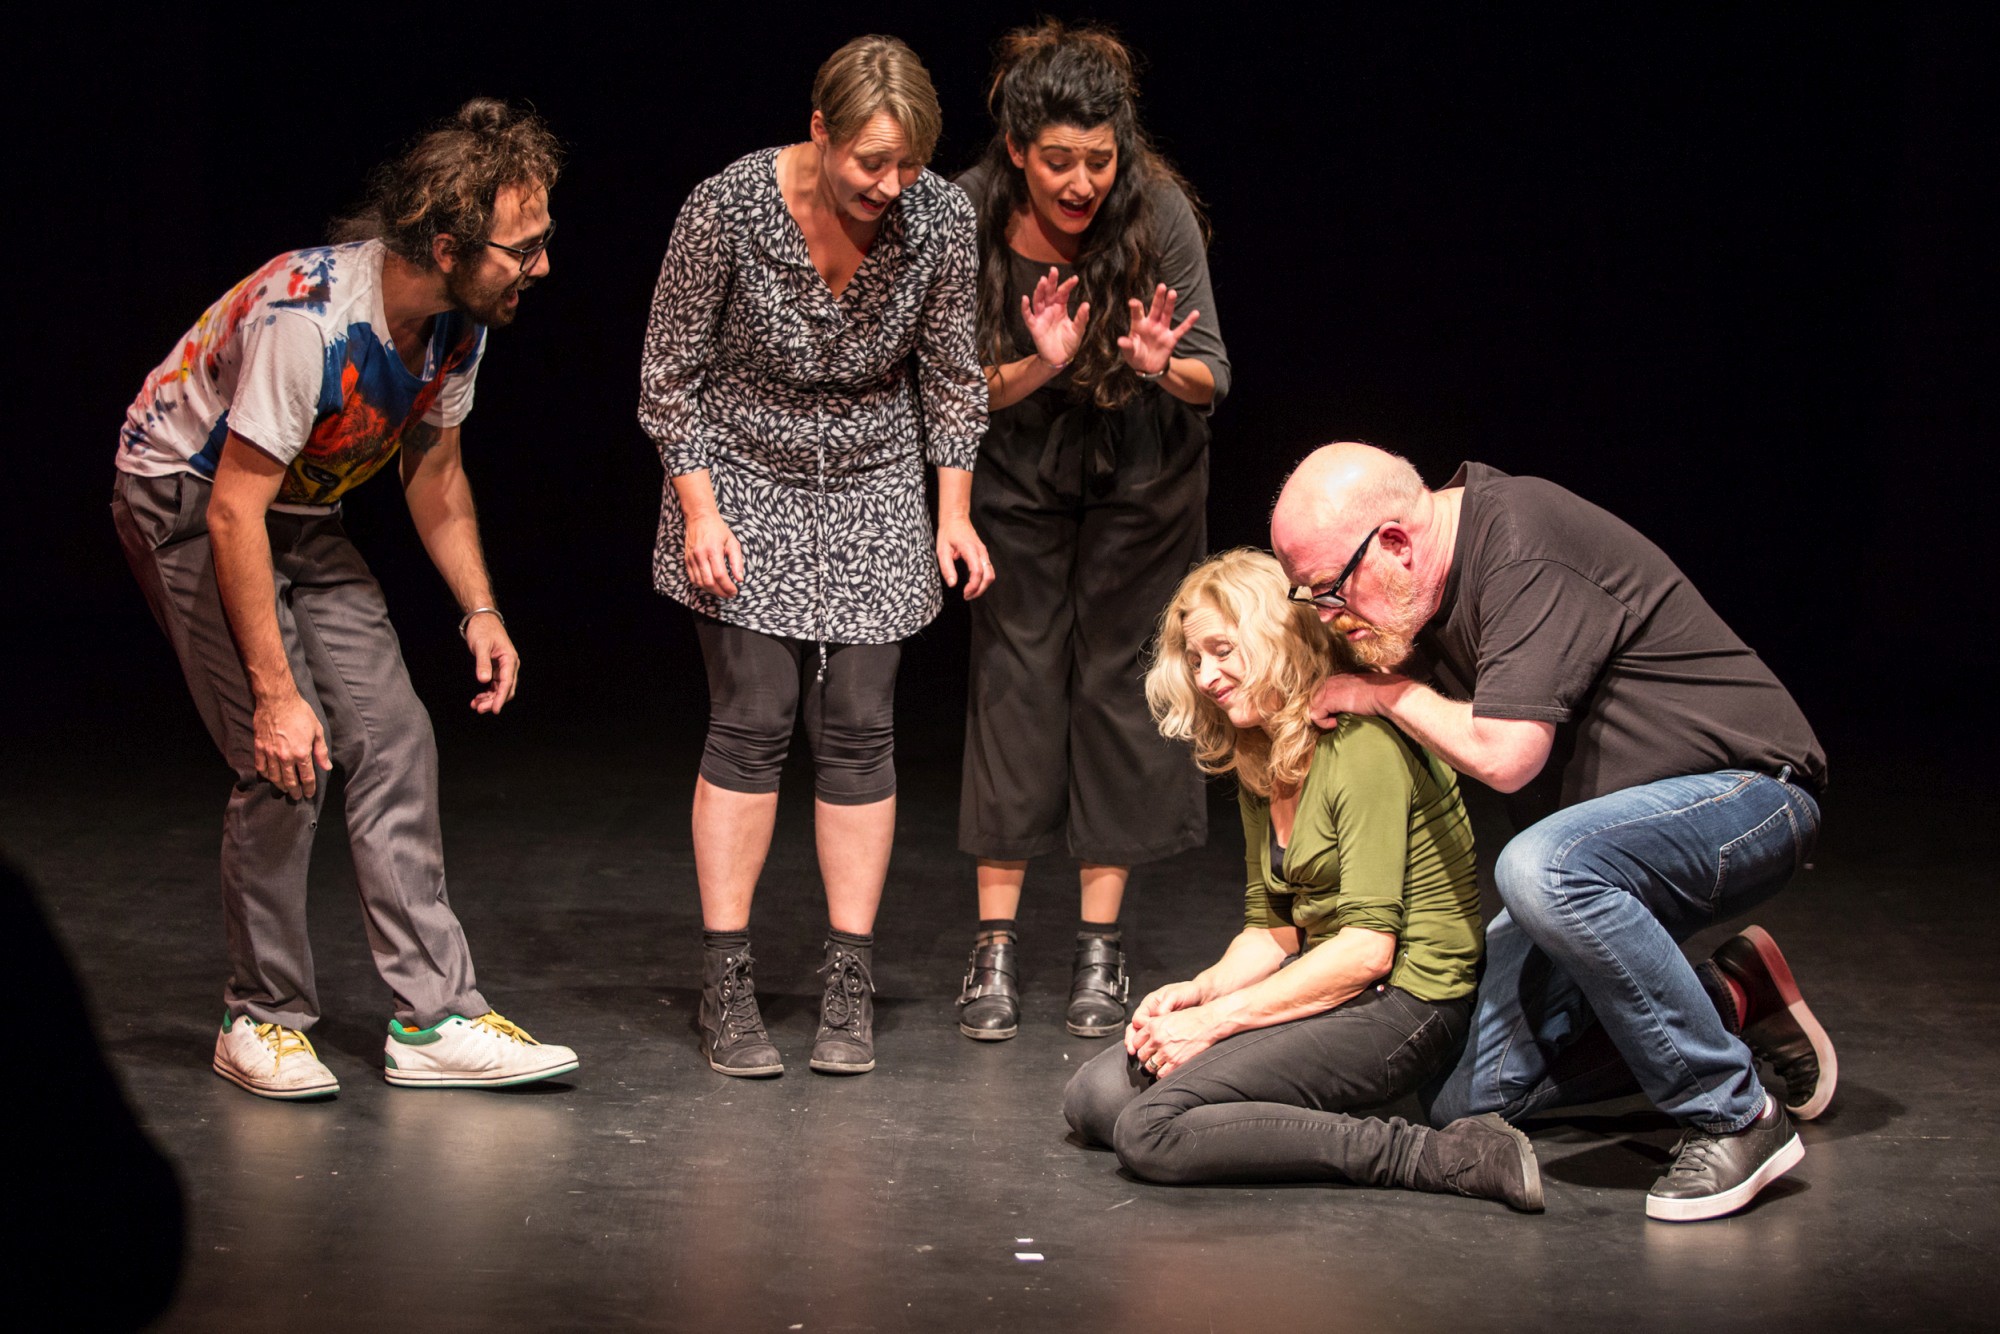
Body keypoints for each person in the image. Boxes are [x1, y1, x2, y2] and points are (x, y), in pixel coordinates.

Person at [111, 99, 579, 1099]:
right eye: (524, 248)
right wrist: (277, 694)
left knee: (395, 736)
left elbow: (434, 469)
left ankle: (434, 1016)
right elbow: (232, 510)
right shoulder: (310, 321)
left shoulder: (459, 324)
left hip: (294, 505)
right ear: (446, 247)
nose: (542, 266)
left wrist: (481, 609)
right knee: (284, 754)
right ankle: (260, 1015)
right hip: (186, 495)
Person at [1270, 443, 1835, 1222]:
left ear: (1395, 542)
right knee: (1458, 1095)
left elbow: (1506, 757)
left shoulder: (1523, 546)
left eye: (1332, 591)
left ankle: (1734, 1114)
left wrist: (1383, 695)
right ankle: (1733, 997)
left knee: (1541, 868)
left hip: (1751, 795)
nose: (1330, 615)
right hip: (1608, 854)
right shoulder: (1414, 593)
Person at [639, 35, 990, 1078]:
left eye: (909, 164)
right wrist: (699, 510)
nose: (891, 186)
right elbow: (668, 377)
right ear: (820, 129)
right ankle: (727, 978)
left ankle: (848, 977)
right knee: (752, 717)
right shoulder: (726, 207)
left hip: (873, 474)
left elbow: (953, 379)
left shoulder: (940, 219)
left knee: (861, 726)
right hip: (741, 468)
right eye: (871, 162)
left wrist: (953, 512)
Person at [1061, 550, 1544, 1210]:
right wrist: (1200, 992)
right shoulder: (1260, 750)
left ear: (1277, 638)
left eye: (1222, 651)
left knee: (1150, 1131)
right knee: (1094, 1099)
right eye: (1195, 659)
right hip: (1333, 981)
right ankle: (1275, 1104)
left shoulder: (1360, 745)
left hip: (1407, 1004)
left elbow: (1368, 951)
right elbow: (1274, 928)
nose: (1206, 676)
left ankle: (1435, 1154)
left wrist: (1215, 1024)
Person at [953, 20, 1230, 1043]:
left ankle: (1099, 948)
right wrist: (1041, 363)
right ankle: (992, 945)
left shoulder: (1155, 209)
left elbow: (1212, 377)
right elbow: (951, 391)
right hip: (1017, 466)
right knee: (1014, 680)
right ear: (1017, 148)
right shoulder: (968, 212)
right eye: (1059, 160)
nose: (1080, 182)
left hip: (1142, 470)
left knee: (1121, 686)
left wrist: (1158, 364)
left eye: (1098, 160)